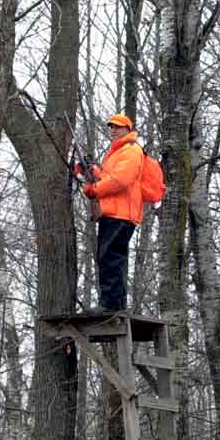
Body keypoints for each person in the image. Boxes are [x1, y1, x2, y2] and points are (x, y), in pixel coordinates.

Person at [79, 113, 145, 313]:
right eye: (111, 127)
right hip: (114, 213)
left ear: (128, 129)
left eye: (117, 127)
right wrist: (91, 171)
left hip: (121, 214)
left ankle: (110, 306)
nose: (113, 130)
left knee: (109, 259)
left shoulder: (131, 150)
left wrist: (95, 190)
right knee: (109, 258)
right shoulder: (117, 151)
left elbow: (120, 180)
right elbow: (109, 177)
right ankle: (115, 305)